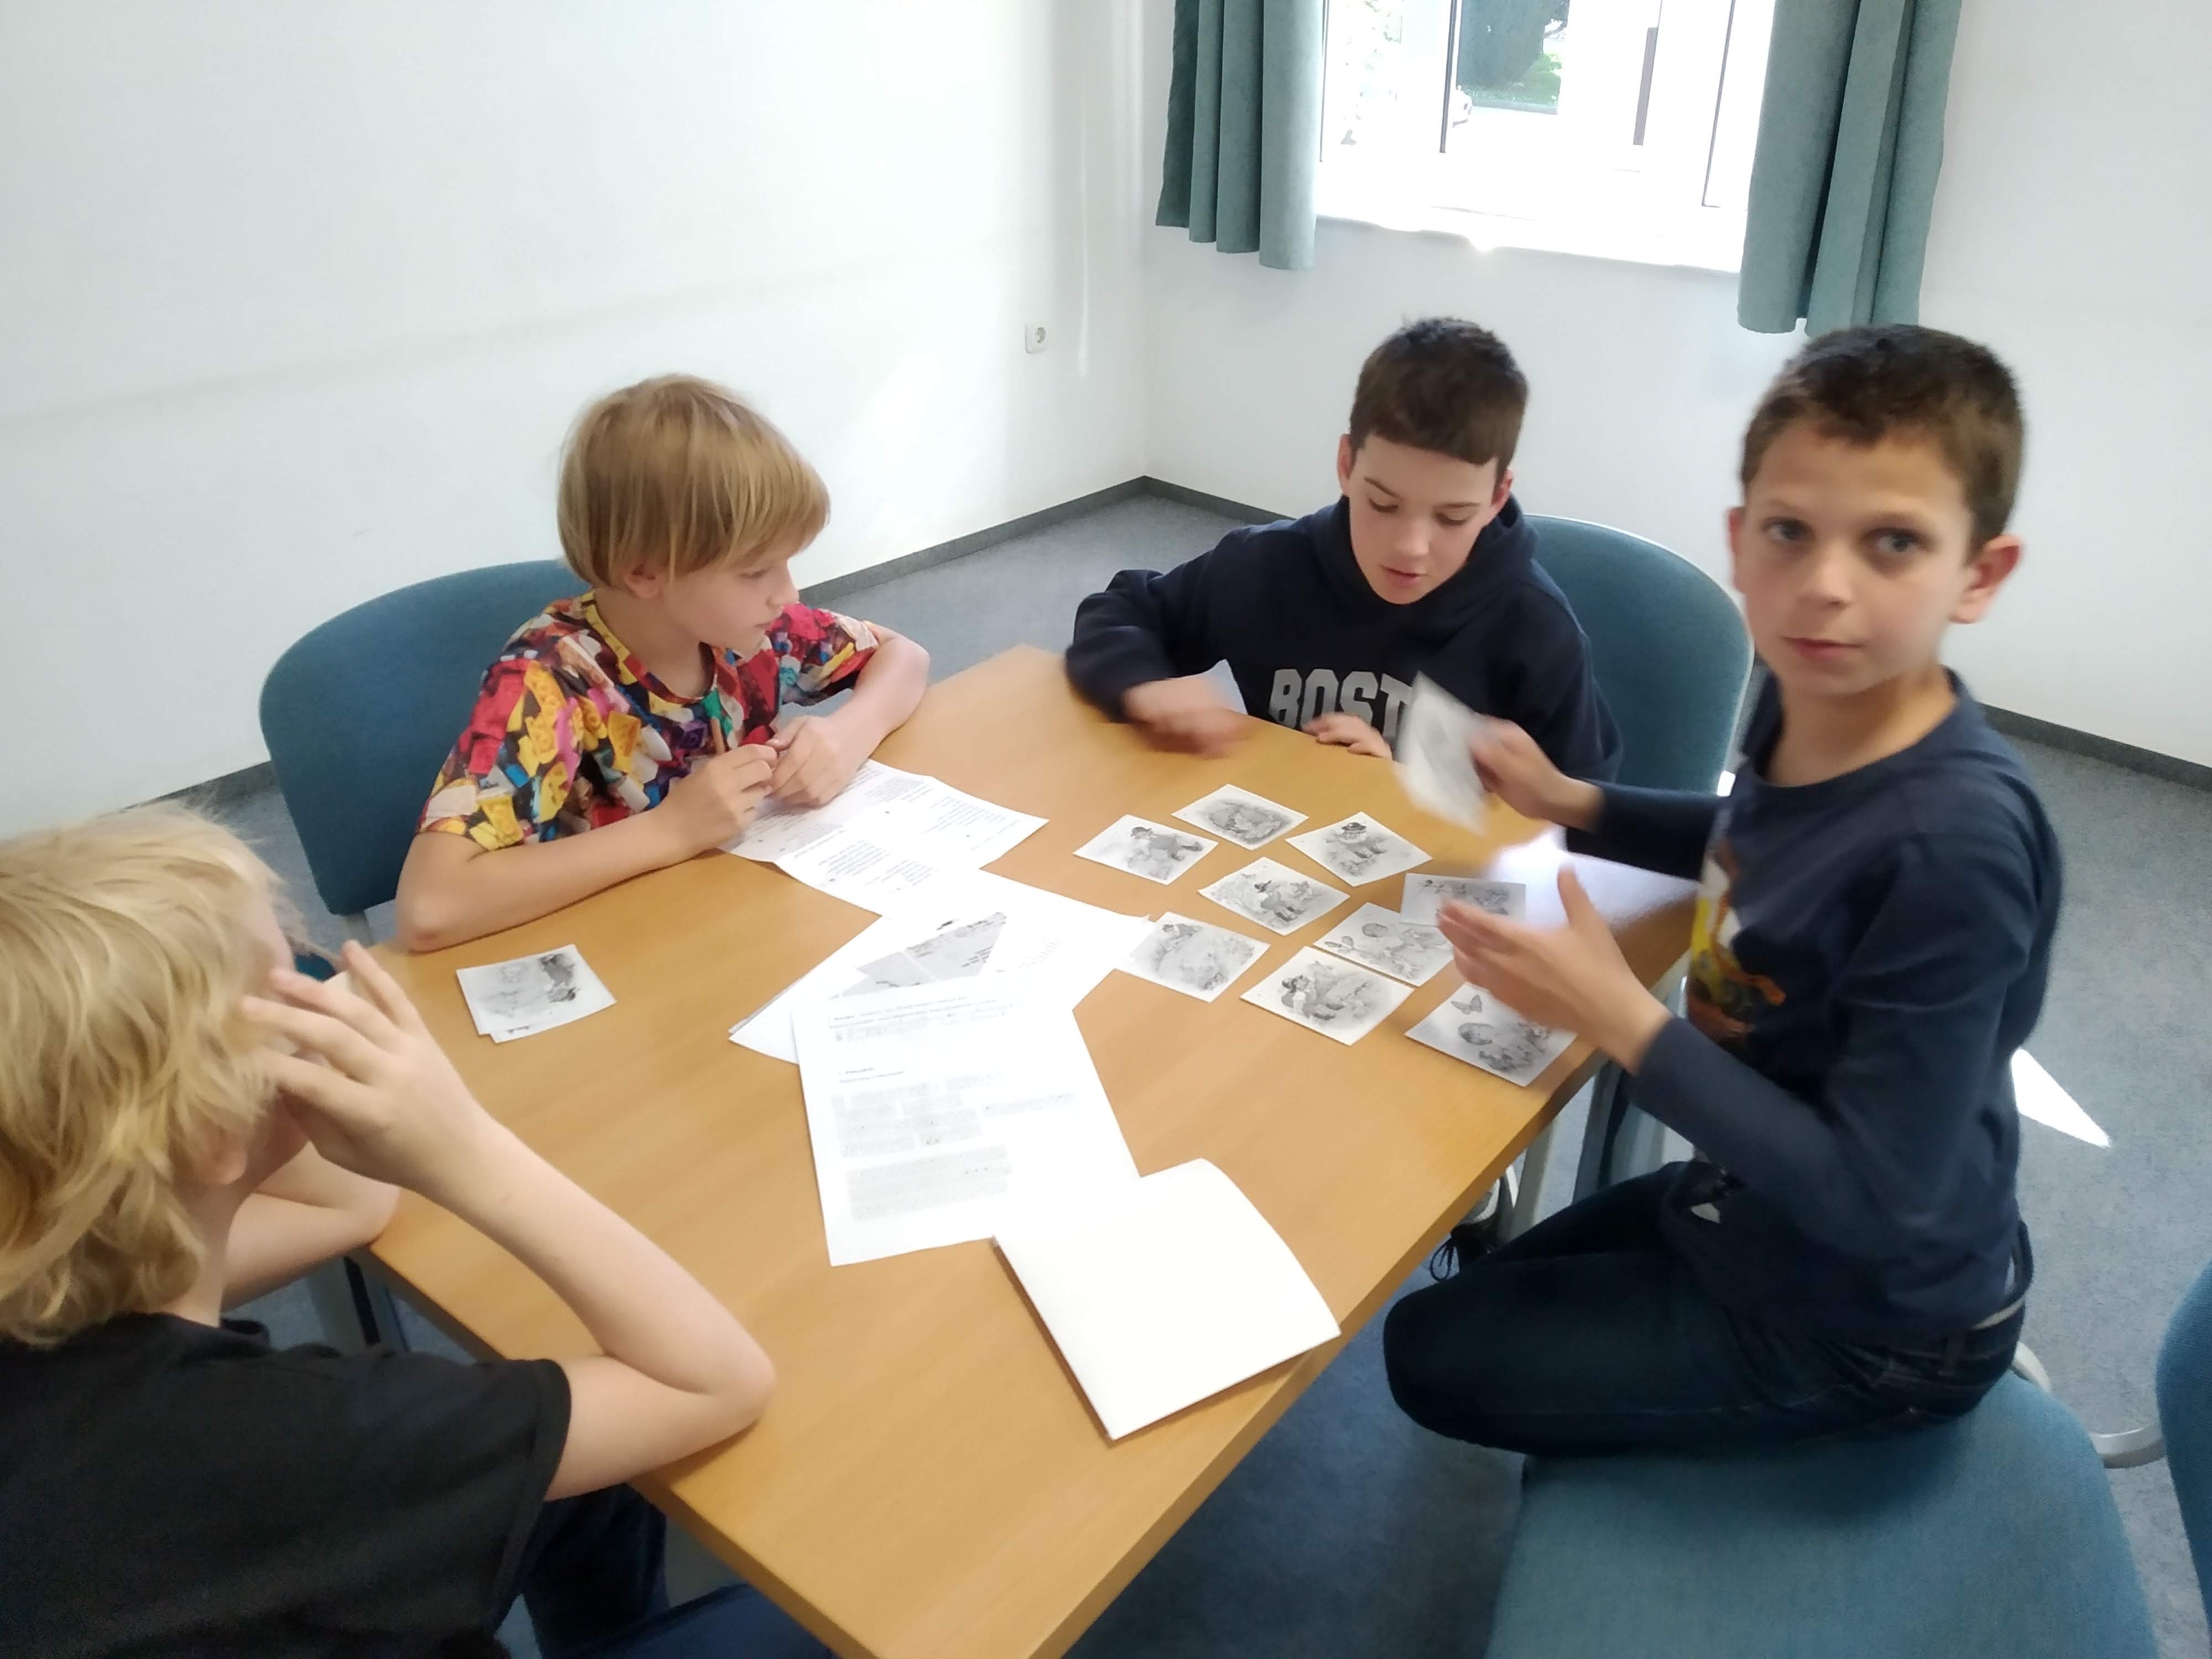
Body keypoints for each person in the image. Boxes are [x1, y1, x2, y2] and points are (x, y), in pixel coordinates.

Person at [1385, 324, 2060, 1453]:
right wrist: (1575, 802)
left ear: (1979, 575)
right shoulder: (1811, 698)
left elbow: (1877, 1199)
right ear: (1742, 544)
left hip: (1875, 1324)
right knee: (1466, 1290)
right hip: (1750, 1195)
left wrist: (1618, 1015)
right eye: (1790, 533)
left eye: (1893, 543)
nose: (1824, 588)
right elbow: (1751, 837)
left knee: (1422, 1355)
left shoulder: (1954, 855)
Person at [0, 806, 824, 1656]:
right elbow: (715, 1383)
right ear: (212, 1132)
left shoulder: (46, 1264)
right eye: (295, 992)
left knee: (588, 1483)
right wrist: (469, 1146)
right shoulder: (307, 1439)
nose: (328, 998)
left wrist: (257, 1090)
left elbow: (345, 1208)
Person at [397, 374, 929, 952]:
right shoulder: (548, 681)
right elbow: (431, 906)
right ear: (645, 572)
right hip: (621, 950)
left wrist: (846, 736)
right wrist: (670, 830)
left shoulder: (751, 630)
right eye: (755, 571)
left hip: (736, 923)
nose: (788, 594)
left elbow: (904, 656)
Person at [1065, 317, 1619, 777]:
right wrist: (1143, 683)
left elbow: (1577, 814)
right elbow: (1121, 608)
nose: (1411, 547)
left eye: (1452, 518)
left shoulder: (1535, 628)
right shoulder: (1265, 567)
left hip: (1431, 869)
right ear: (1346, 465)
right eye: (1382, 504)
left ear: (1497, 497)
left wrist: (1406, 782)